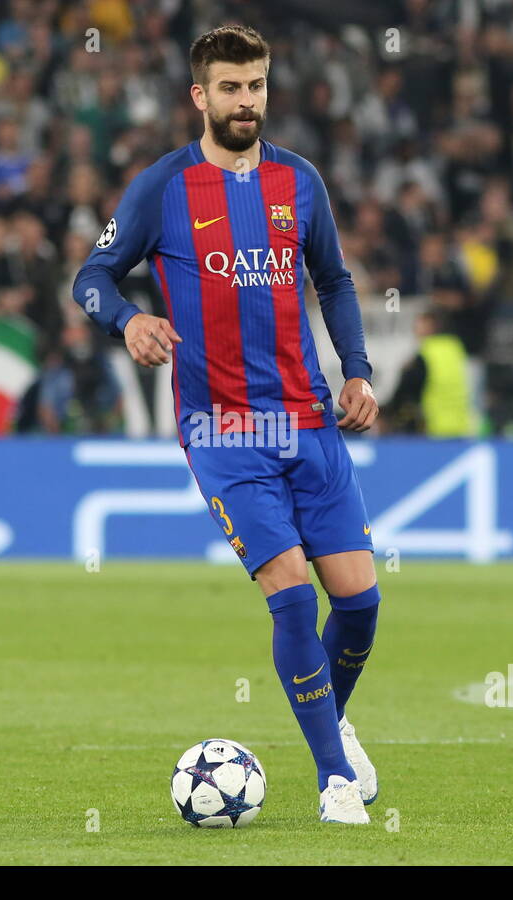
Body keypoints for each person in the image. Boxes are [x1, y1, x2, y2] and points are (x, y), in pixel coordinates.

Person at [72, 26, 380, 824]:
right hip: (223, 433)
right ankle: (333, 781)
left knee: (360, 602)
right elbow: (92, 274)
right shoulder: (162, 188)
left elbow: (336, 281)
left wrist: (358, 369)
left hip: (310, 420)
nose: (247, 102)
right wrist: (128, 322)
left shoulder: (298, 181)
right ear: (199, 96)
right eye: (231, 89)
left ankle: (332, 723)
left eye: (257, 87)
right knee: (289, 600)